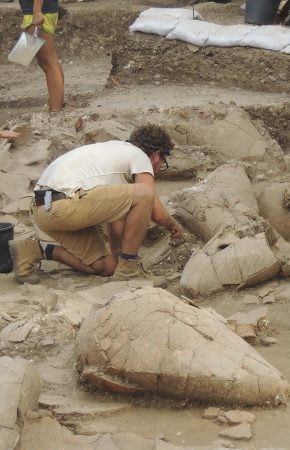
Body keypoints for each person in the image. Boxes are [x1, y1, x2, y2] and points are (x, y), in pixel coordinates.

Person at [9, 124, 183, 285]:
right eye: (162, 164)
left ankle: (35, 250)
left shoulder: (112, 152)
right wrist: (174, 226)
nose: (158, 169)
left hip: (42, 209)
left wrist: (118, 258)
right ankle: (130, 270)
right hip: (65, 204)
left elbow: (114, 222)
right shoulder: (139, 156)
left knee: (106, 267)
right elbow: (155, 210)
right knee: (145, 193)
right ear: (157, 155)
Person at [19, 0, 64, 112]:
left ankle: (56, 110)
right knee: (49, 62)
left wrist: (37, 10)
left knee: (48, 63)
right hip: (40, 11)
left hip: (38, 12)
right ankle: (57, 104)